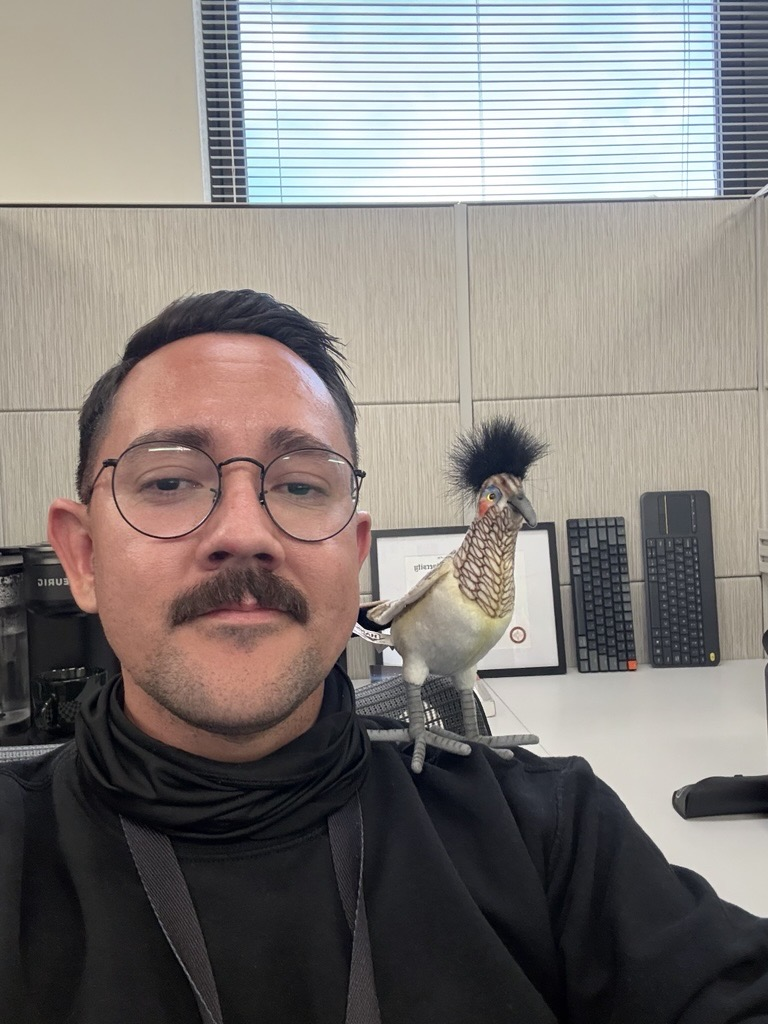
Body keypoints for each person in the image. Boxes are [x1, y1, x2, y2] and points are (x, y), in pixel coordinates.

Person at [1, 289, 767, 1024]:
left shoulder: (549, 835)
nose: (245, 531)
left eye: (301, 485)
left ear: (355, 556)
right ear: (84, 557)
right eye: (169, 480)